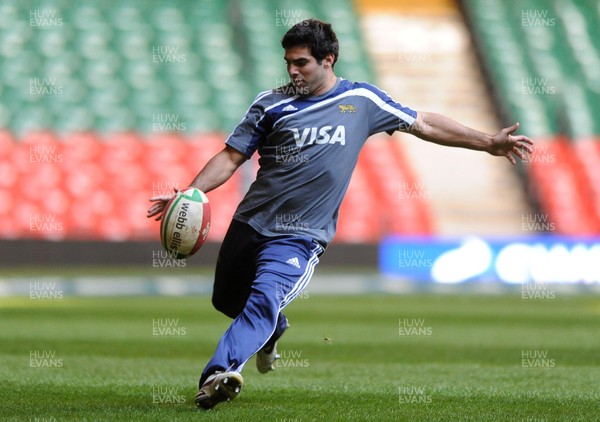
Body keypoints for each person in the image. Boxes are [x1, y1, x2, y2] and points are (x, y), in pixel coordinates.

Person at [146, 18, 533, 409]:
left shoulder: (361, 101)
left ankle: (216, 376)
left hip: (302, 235)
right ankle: (273, 328)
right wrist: (193, 191)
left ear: (328, 60)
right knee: (228, 302)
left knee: (264, 297)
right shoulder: (270, 104)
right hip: (250, 224)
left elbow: (424, 122)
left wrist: (488, 142)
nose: (293, 71)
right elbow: (231, 157)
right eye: (288, 63)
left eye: (301, 63)